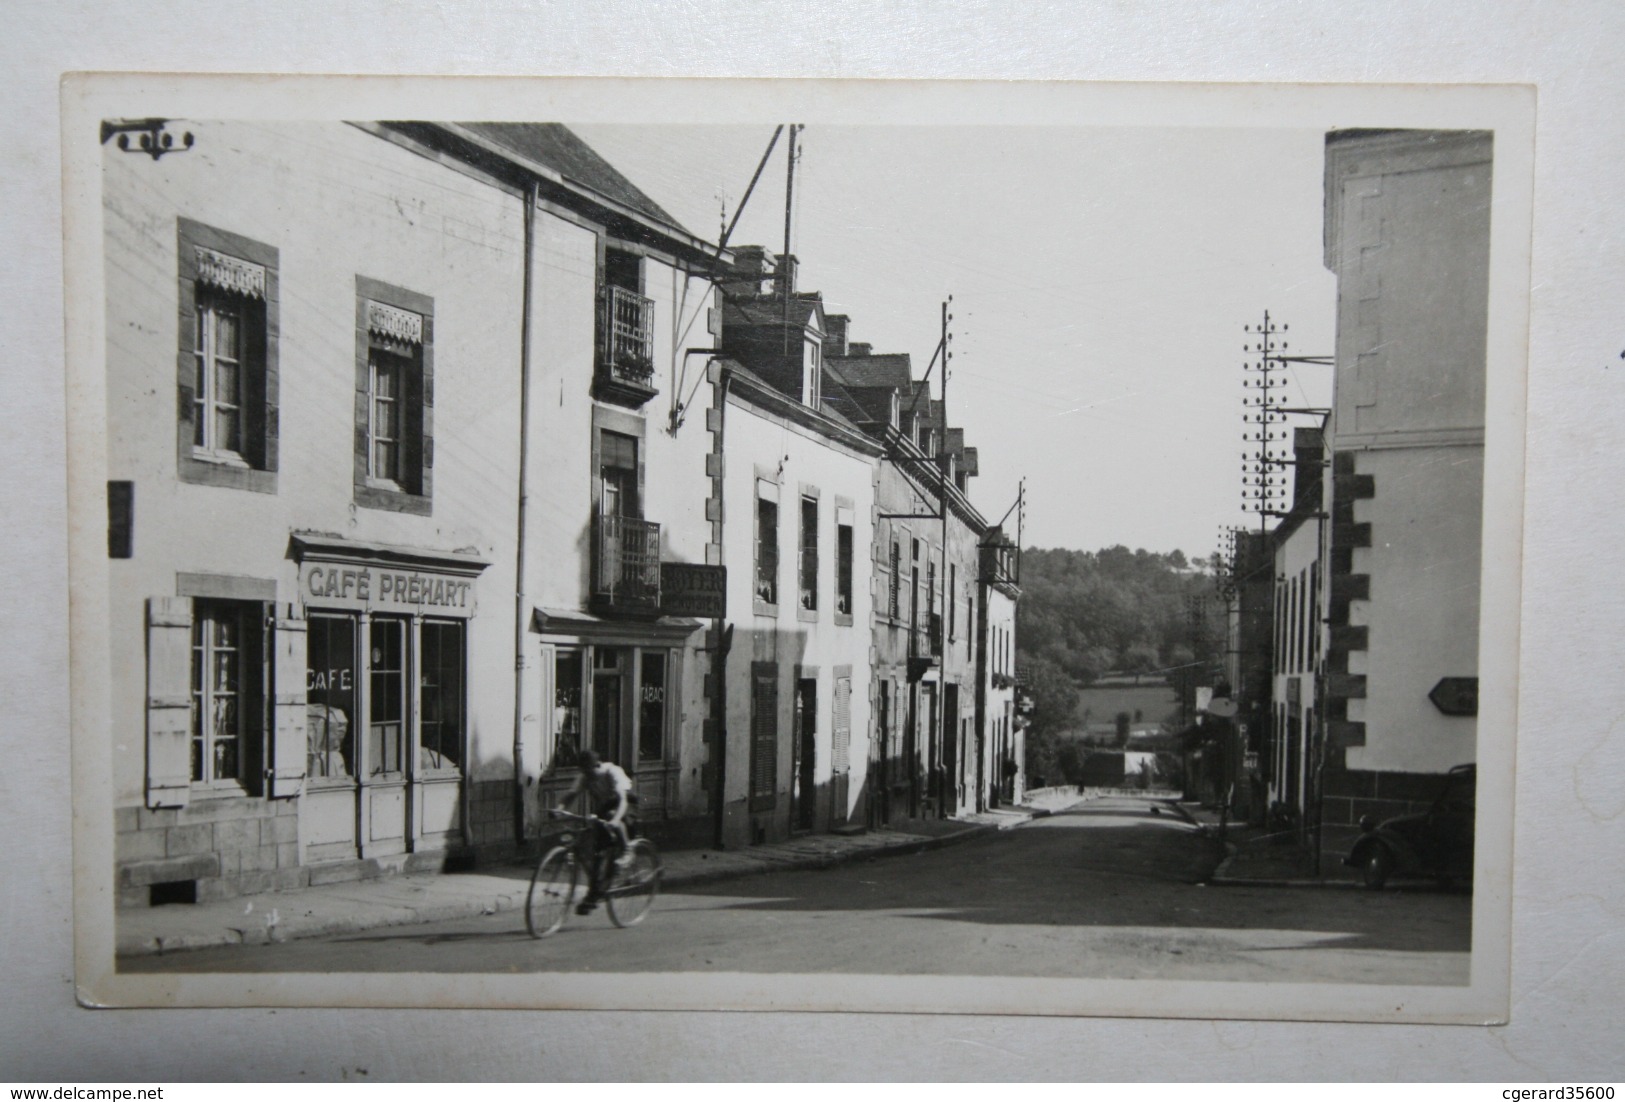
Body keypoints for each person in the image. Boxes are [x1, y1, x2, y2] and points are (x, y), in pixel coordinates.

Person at [556, 749, 635, 914]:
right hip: (604, 809)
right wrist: (559, 808)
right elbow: (571, 794)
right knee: (597, 853)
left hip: (626, 807)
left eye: (590, 771)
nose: (588, 776)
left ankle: (627, 851)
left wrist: (615, 820)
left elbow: (622, 800)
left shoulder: (612, 772)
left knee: (612, 816)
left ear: (597, 765)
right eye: (584, 771)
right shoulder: (585, 775)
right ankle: (594, 894)